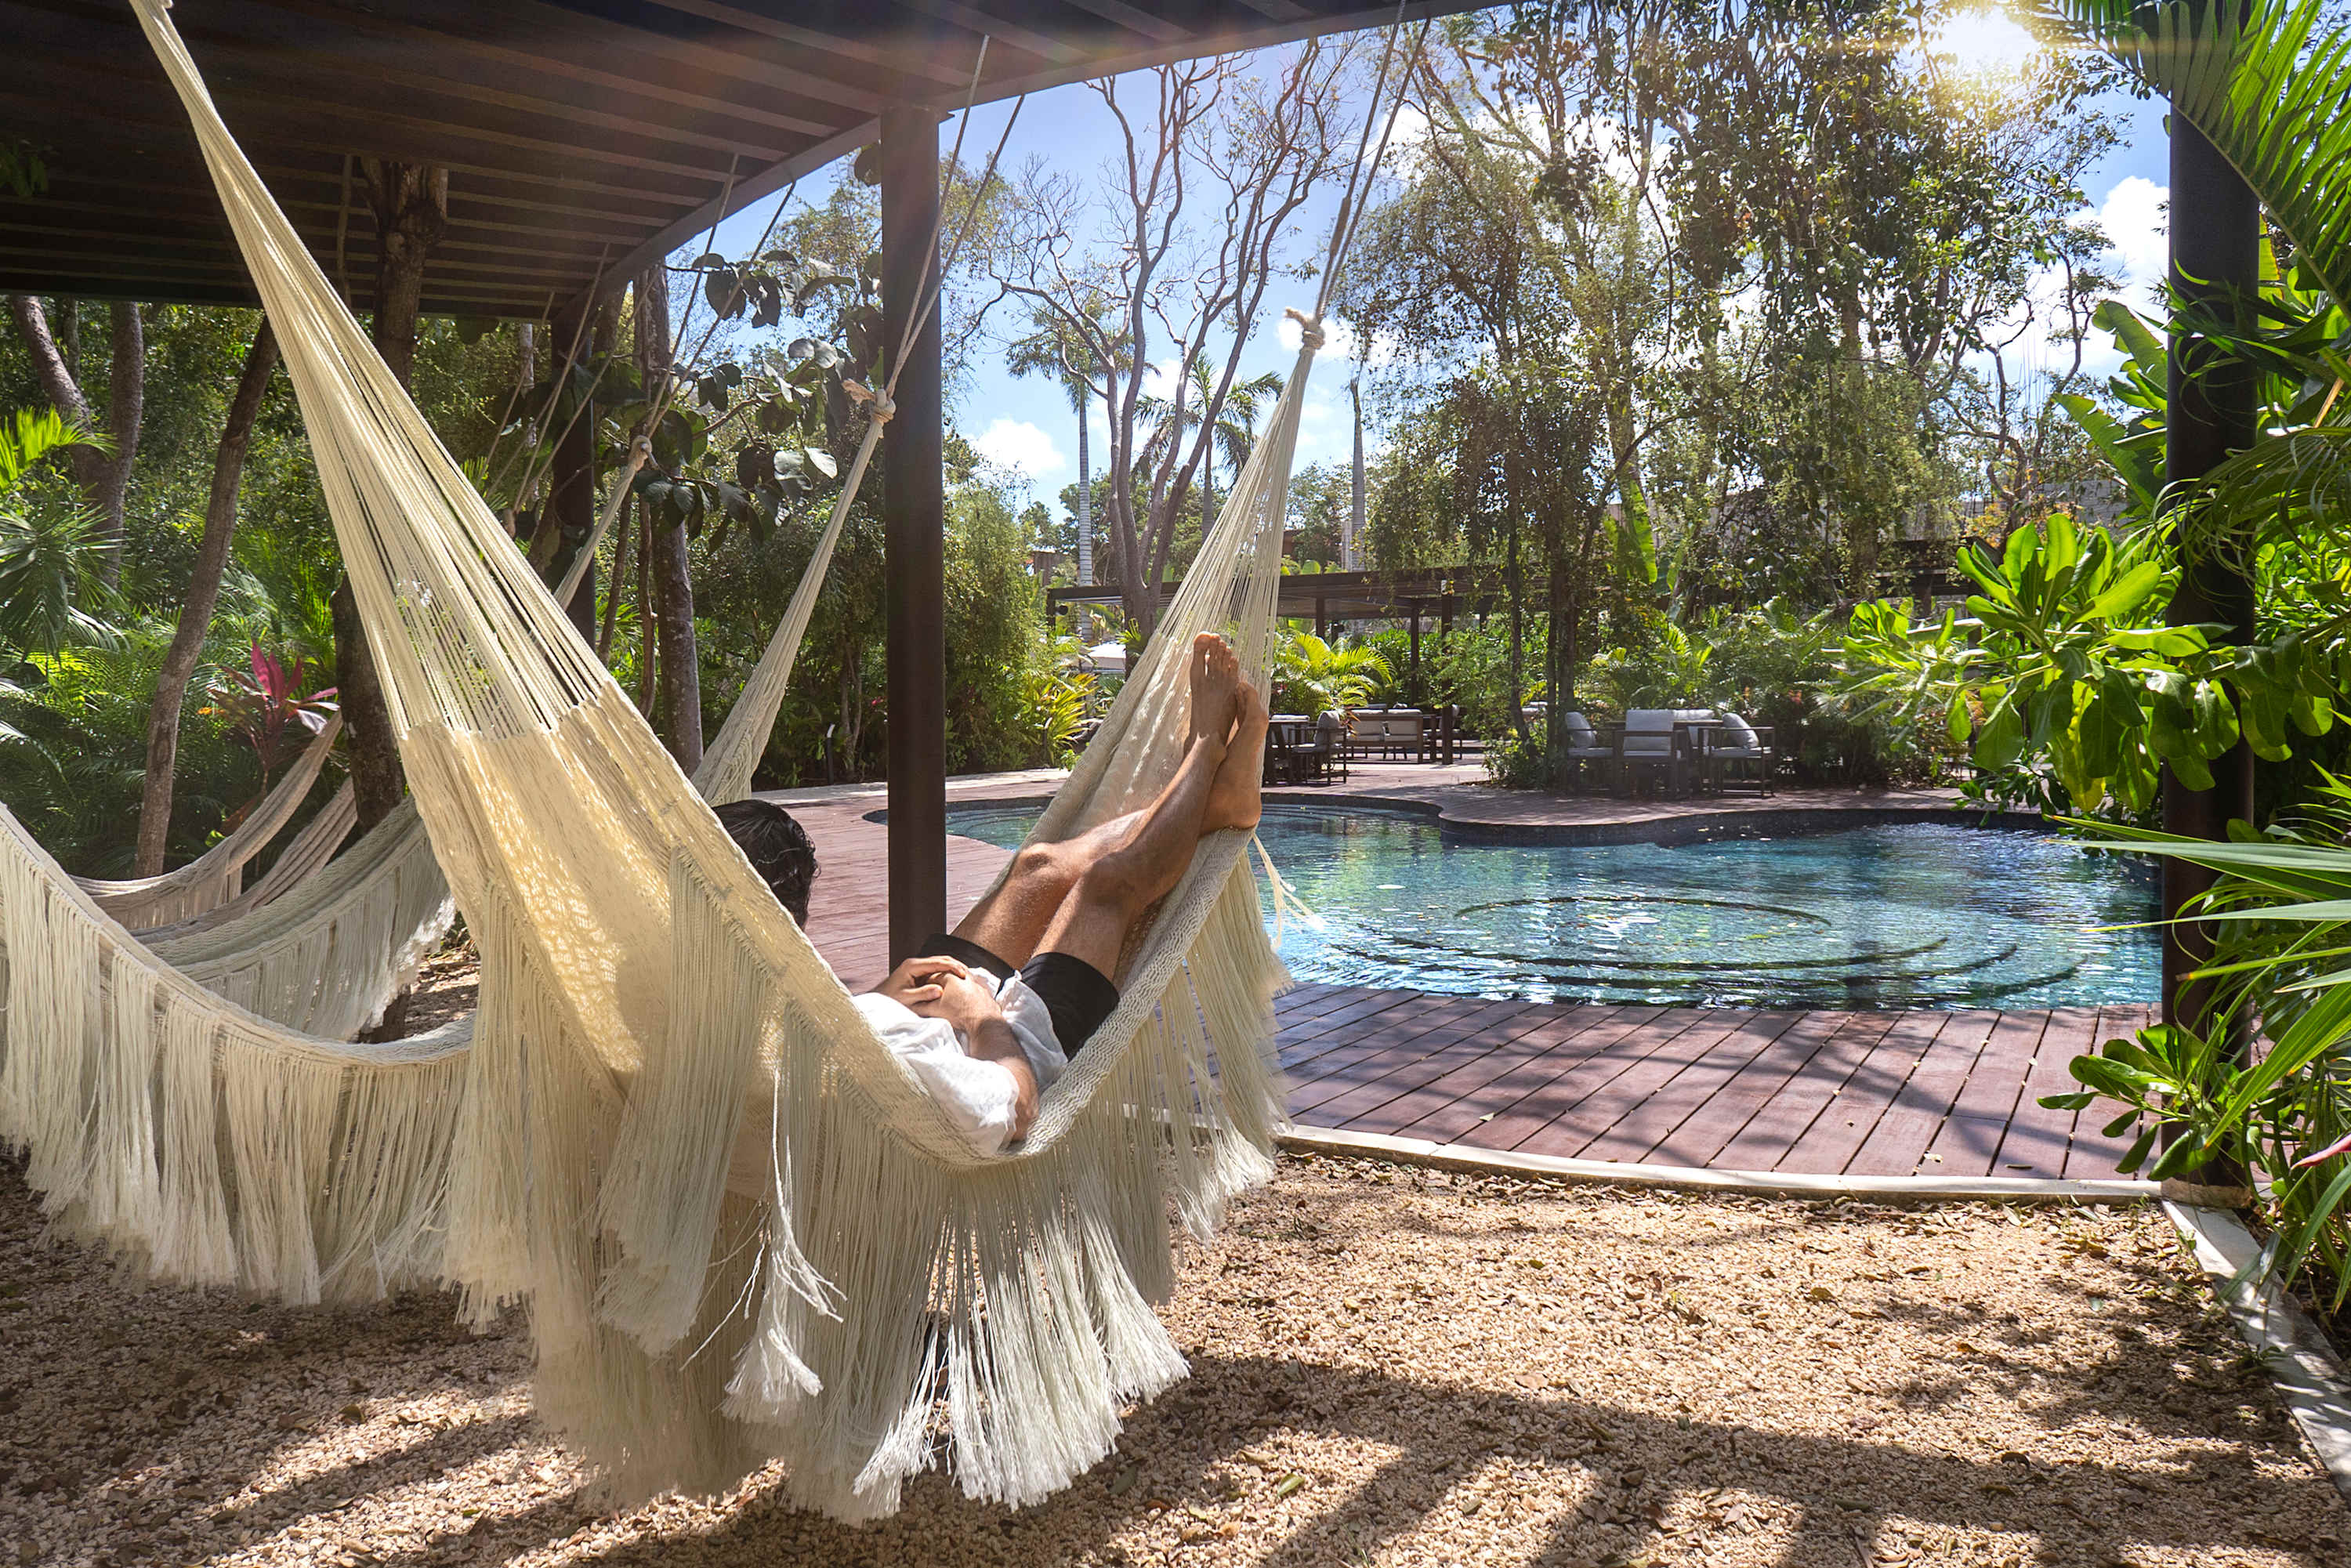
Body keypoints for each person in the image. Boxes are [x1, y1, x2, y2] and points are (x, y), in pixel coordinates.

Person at [719, 632, 1268, 1157]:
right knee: (1106, 886)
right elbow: (1019, 1104)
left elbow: (820, 1046)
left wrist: (880, 1001)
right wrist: (982, 1016)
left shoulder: (714, 1005)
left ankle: (1216, 806)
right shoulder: (918, 1068)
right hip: (1006, 1042)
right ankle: (1204, 750)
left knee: (1037, 868)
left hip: (910, 1018)